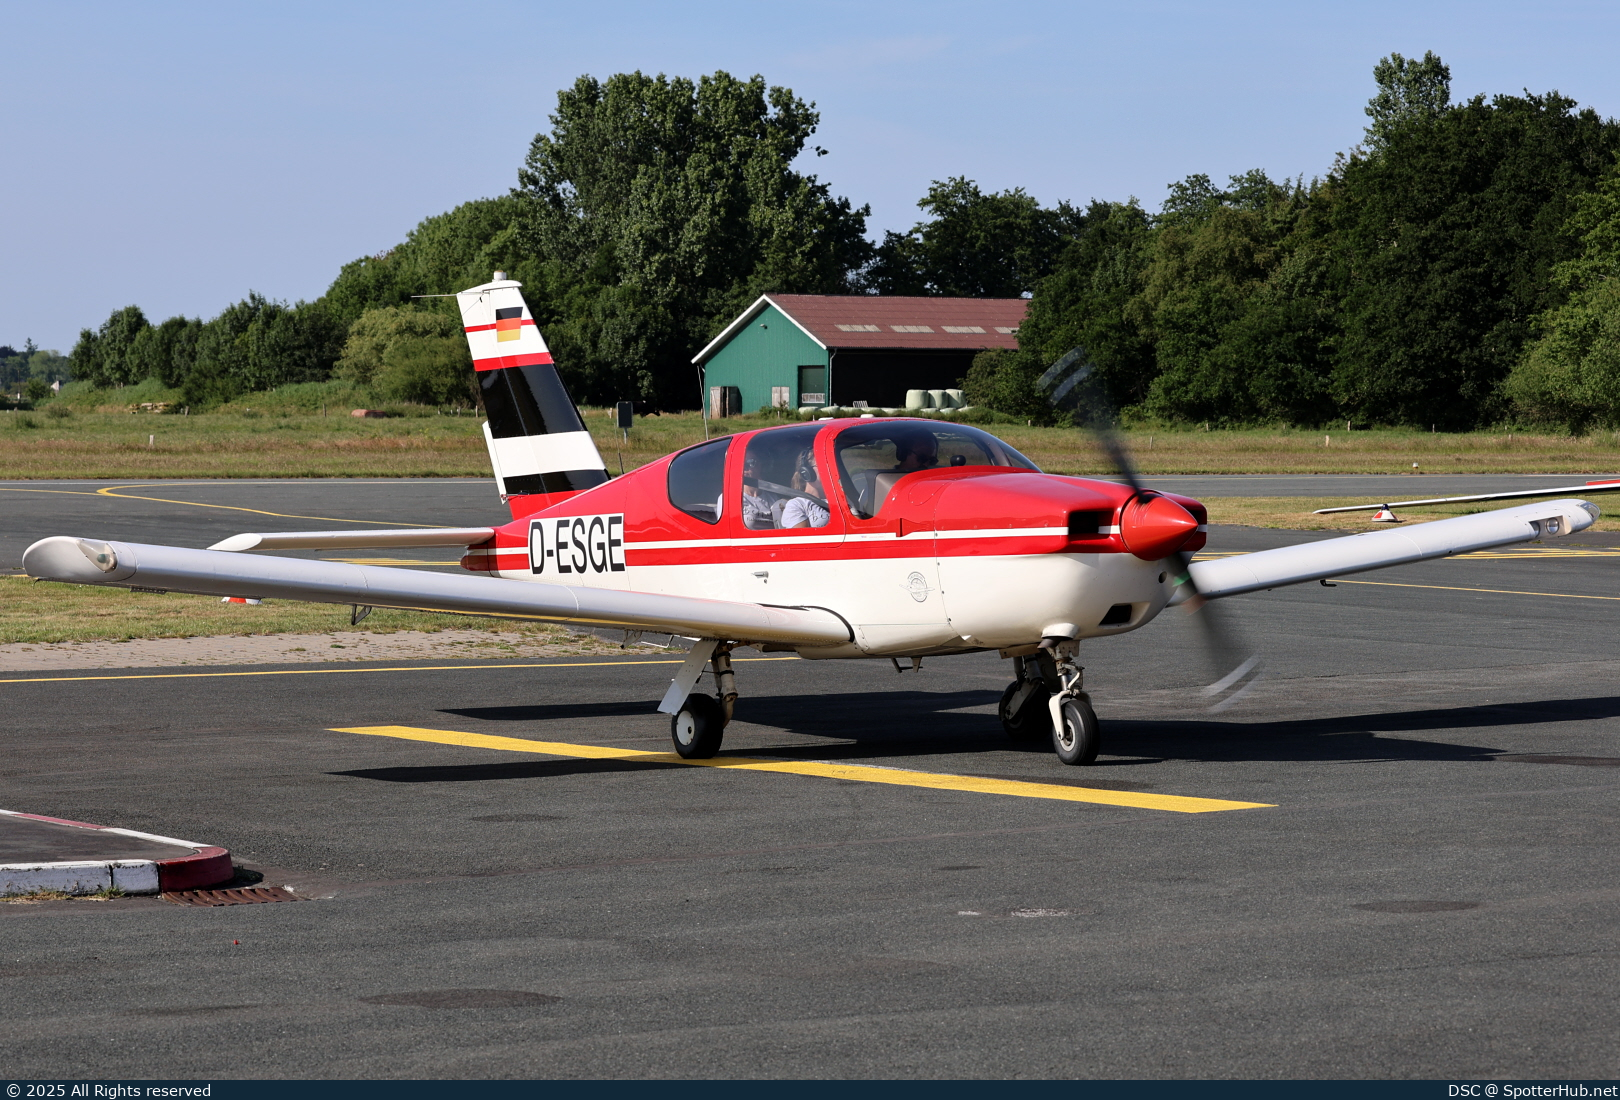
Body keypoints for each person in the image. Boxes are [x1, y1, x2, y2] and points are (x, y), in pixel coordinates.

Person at [780, 450, 831, 529]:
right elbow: (801, 539)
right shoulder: (797, 504)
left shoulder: (840, 499)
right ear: (807, 472)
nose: (829, 469)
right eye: (823, 465)